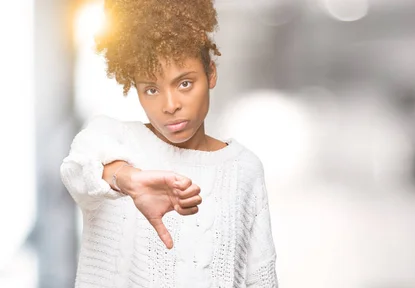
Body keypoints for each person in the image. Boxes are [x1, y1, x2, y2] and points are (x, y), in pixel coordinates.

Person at [59, 0, 278, 287]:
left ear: (211, 73)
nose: (170, 105)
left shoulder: (244, 169)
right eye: (151, 89)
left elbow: (261, 278)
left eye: (184, 83)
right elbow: (76, 170)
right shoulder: (112, 138)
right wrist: (127, 179)